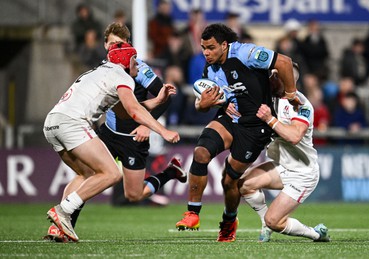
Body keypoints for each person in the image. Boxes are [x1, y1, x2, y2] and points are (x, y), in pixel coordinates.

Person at [44, 23, 187, 242]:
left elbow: (123, 111)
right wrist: (163, 131)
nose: (136, 66)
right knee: (112, 174)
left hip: (53, 122)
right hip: (81, 126)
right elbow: (132, 109)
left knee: (113, 186)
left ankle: (59, 227)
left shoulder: (100, 69)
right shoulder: (122, 76)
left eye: (119, 44)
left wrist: (157, 102)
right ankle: (63, 212)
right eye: (112, 44)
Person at [175, 23, 301, 242]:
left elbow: (284, 62)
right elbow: (201, 104)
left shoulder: (246, 53)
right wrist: (204, 104)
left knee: (229, 181)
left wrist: (291, 93)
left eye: (211, 48)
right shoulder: (209, 68)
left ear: (224, 45)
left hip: (256, 127)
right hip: (230, 118)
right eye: (204, 47)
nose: (206, 53)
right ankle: (192, 213)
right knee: (201, 153)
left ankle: (229, 220)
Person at [238, 64, 330, 243]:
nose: (271, 77)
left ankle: (316, 234)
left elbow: (294, 136)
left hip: (302, 173)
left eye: (276, 75)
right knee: (244, 185)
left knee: (275, 221)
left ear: (290, 81)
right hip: (281, 166)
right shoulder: (268, 97)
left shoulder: (300, 104)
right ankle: (265, 225)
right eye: (272, 74)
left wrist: (269, 119)